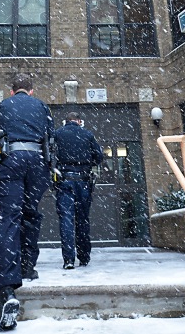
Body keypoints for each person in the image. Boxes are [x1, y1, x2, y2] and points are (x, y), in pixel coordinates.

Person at [0, 73, 54, 331]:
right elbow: (51, 138)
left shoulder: (3, 106)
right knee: (31, 213)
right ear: (32, 91)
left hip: (11, 161)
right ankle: (28, 265)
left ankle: (7, 290)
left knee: (9, 219)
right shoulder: (42, 107)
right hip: (37, 163)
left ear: (12, 91)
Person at [53, 112, 103, 270]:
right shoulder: (87, 134)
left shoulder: (58, 134)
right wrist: (87, 162)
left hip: (64, 179)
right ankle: (84, 256)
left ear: (65, 121)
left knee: (66, 220)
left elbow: (50, 155)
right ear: (79, 121)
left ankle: (68, 259)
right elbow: (99, 156)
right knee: (82, 220)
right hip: (83, 181)